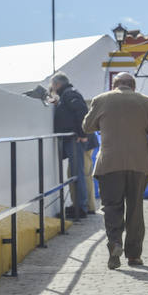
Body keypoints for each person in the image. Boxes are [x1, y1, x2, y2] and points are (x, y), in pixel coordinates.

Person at [83, 72, 148, 270]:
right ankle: (134, 256)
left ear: (114, 85)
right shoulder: (147, 102)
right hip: (139, 165)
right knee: (135, 209)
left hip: (109, 163)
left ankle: (115, 244)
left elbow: (87, 127)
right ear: (134, 86)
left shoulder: (101, 100)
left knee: (111, 207)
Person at [50, 72, 90, 221]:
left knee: (77, 173)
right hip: (72, 138)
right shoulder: (67, 95)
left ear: (57, 84)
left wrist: (82, 133)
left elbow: (82, 112)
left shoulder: (69, 93)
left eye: (53, 85)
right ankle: (79, 206)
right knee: (76, 173)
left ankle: (81, 208)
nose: (52, 88)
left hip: (74, 139)